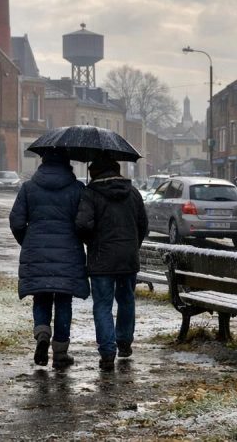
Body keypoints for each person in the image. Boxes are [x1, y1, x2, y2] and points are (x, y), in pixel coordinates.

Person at [9, 150, 87, 369]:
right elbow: (83, 223)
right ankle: (60, 353)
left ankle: (42, 332)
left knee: (41, 297)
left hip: (37, 251)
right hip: (68, 253)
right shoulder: (77, 189)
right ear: (67, 164)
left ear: (42, 163)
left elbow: (16, 221)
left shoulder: (28, 188)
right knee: (64, 301)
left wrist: (28, 241)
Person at [75, 155, 148, 370]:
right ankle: (124, 342)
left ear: (95, 172)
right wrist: (133, 245)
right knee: (126, 300)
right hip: (128, 257)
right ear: (117, 169)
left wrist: (91, 242)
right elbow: (143, 225)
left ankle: (107, 352)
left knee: (102, 305)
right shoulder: (133, 193)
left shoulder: (90, 194)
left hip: (101, 259)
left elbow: (82, 225)